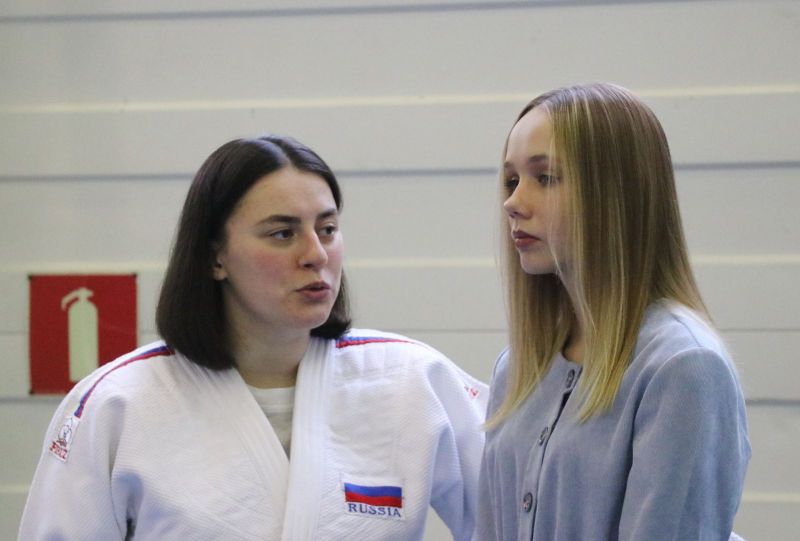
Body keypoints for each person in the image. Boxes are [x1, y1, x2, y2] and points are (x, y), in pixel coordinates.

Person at [19, 135, 488, 540]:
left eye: (327, 229)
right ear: (215, 257)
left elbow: (516, 511)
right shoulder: (118, 405)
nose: (316, 254)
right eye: (282, 233)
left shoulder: (413, 382)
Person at [475, 83, 750, 540]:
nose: (513, 203)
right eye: (511, 180)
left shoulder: (682, 369)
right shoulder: (518, 368)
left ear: (615, 194)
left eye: (545, 178)